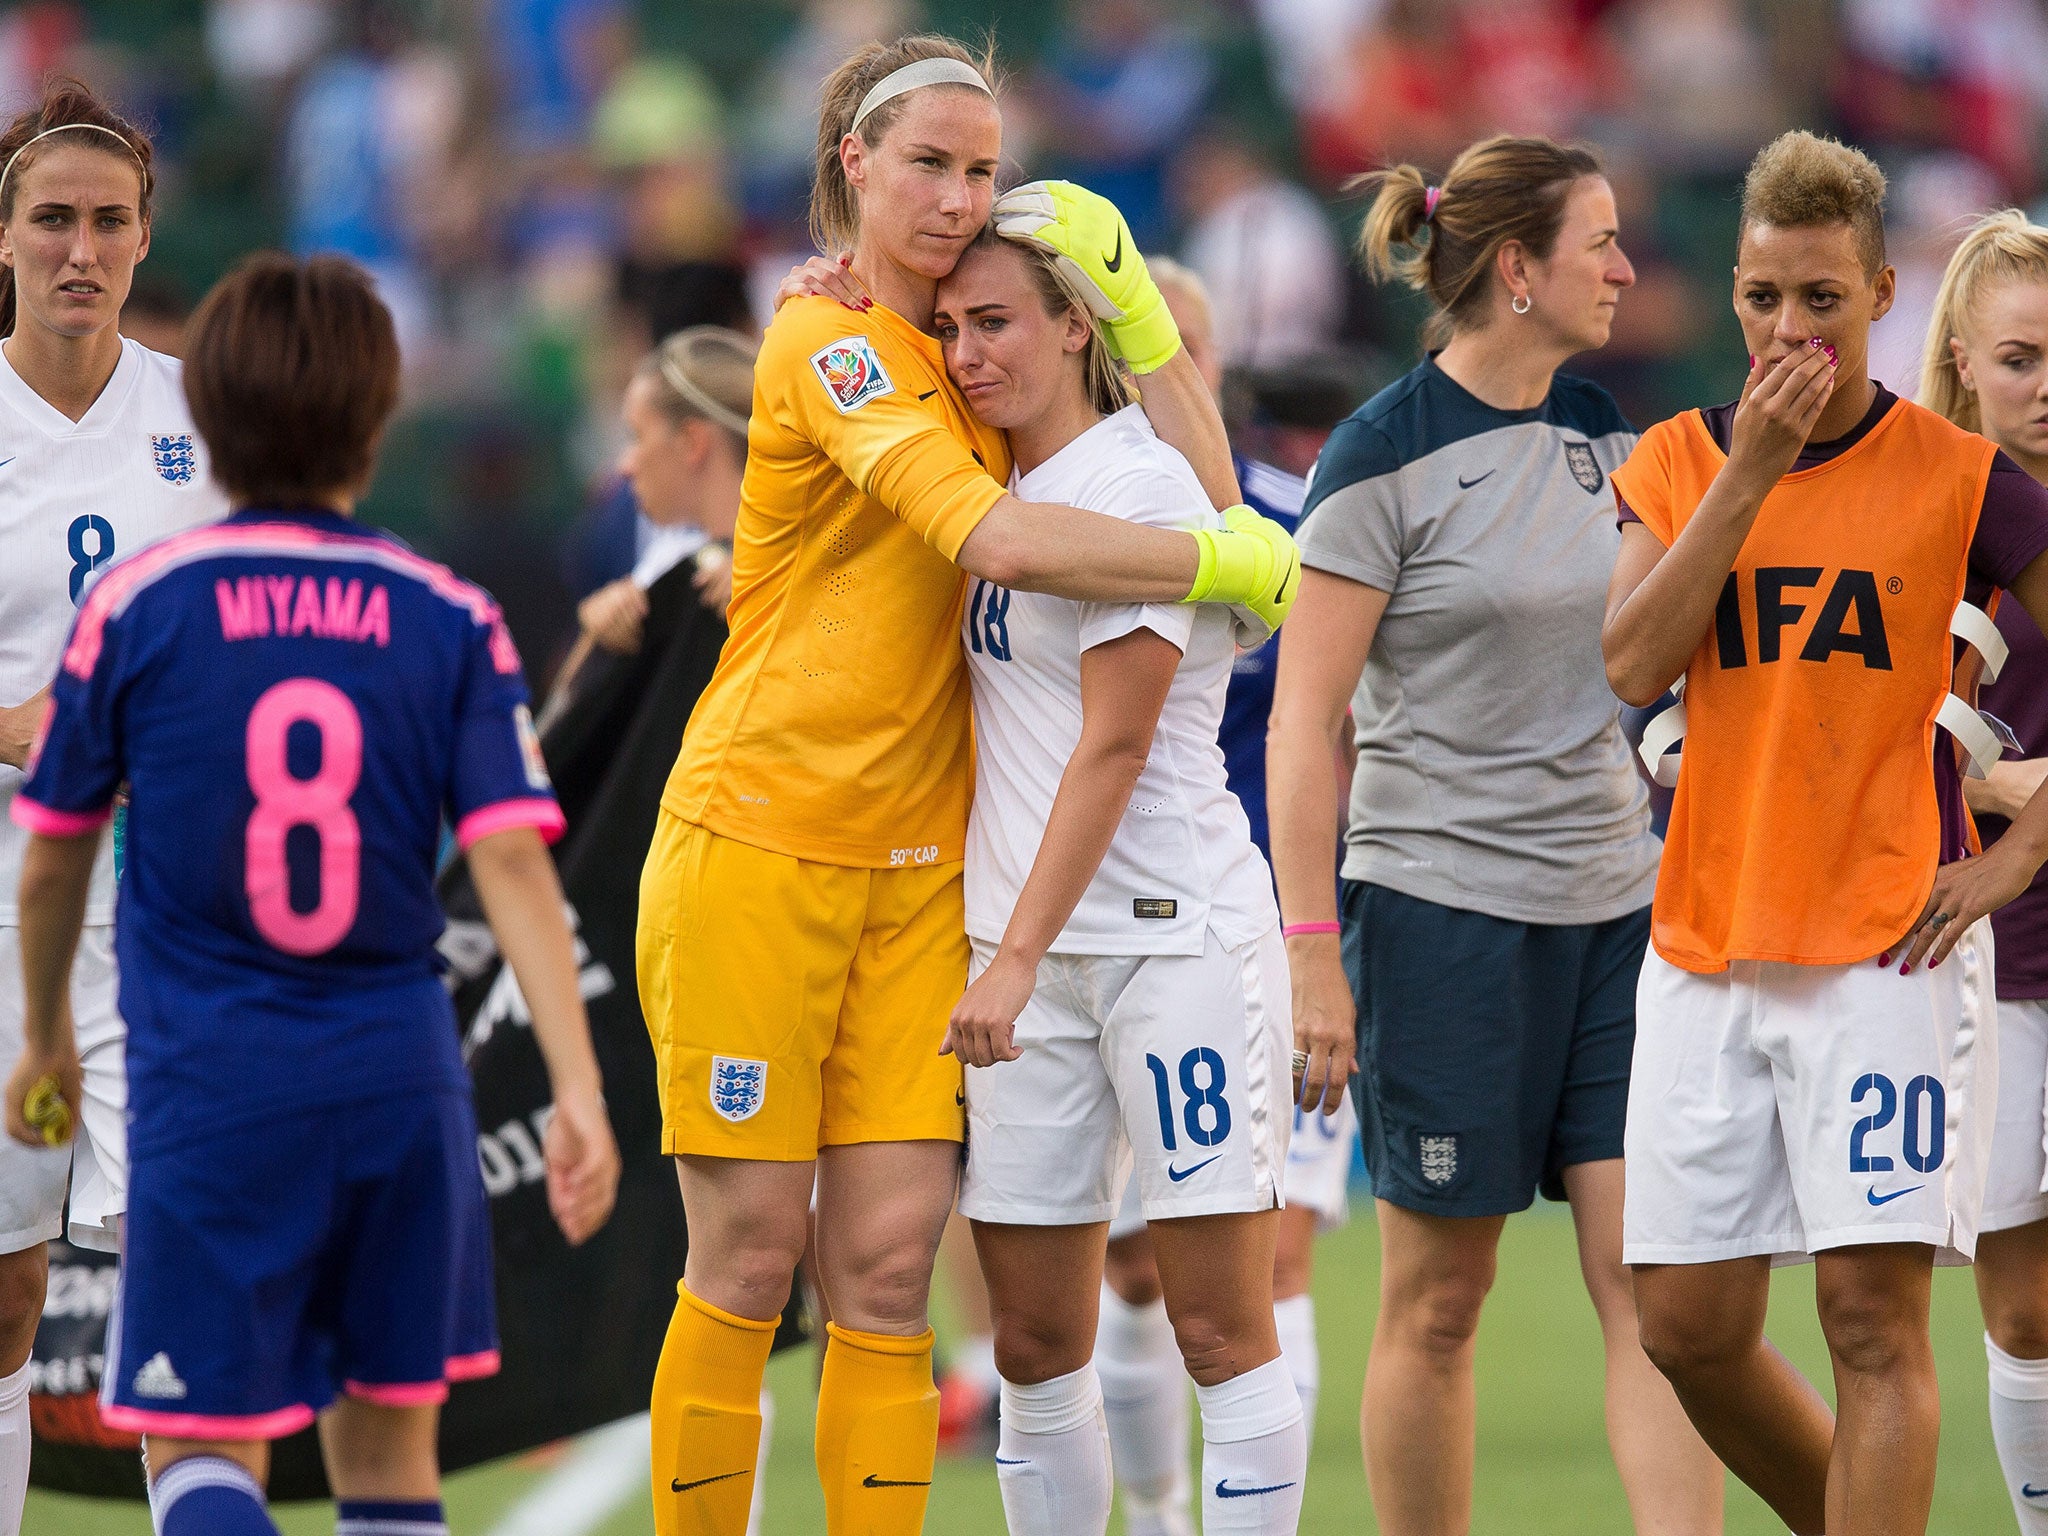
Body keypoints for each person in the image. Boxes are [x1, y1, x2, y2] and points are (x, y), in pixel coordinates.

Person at [636, 34, 1302, 1536]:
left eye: (983, 168)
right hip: (764, 840)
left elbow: (1165, 468)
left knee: (882, 1273)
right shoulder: (834, 344)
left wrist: (1141, 323)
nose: (955, 196)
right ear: (852, 167)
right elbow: (1000, 546)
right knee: (748, 1261)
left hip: (928, 879)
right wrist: (1226, 560)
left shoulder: (970, 361)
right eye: (927, 163)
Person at [1, 251, 622, 1536]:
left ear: (206, 418)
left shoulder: (140, 607)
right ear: (382, 416)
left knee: (202, 1442)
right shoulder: (446, 613)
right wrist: (575, 1084)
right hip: (396, 1079)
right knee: (389, 1462)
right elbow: (513, 861)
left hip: (212, 1078)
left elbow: (56, 848)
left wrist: (51, 1030)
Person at [1267, 134, 1724, 1536]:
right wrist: (1311, 960)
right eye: (1600, 244)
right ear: (1517, 272)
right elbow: (1305, 729)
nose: (1626, 271)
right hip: (1437, 920)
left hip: (1616, 918)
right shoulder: (1379, 455)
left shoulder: (1618, 438)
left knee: (1656, 1296)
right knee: (1441, 1304)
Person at [1604, 132, 2048, 1536]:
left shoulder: (1966, 478)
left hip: (1888, 948)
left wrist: (2026, 850)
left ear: (1877, 300)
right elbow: (1628, 665)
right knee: (1684, 1325)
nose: (1787, 330)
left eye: (1820, 301)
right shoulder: (1681, 458)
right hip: (1707, 937)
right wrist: (1749, 475)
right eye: (1761, 298)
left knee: (1870, 1320)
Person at [936, 220, 1310, 1536]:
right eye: (954, 327)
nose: (970, 352)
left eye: (999, 322)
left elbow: (1115, 742)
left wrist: (1016, 956)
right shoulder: (984, 474)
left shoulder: (1140, 486)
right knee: (1036, 1344)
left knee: (1217, 1323)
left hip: (1170, 942)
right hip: (1027, 958)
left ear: (1079, 325)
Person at [1088, 256, 1358, 1536]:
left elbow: (1349, 723)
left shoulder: (1284, 525)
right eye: (1151, 347)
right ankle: (1151, 1512)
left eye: (1188, 350)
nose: (1167, 373)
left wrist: (1326, 932)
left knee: (1270, 1256)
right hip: (1108, 937)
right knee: (1134, 1274)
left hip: (1266, 932)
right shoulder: (1046, 512)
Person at [0, 79, 231, 1536]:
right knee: (7, 1287)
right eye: (51, 220)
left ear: (145, 240)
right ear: (4, 238)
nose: (79, 249)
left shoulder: (207, 420)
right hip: (8, 897)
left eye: (107, 221)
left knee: (179, 1275)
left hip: (167, 910)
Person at [1919, 208, 2048, 1534]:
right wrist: (1999, 785)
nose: (2045, 387)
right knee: (2022, 1304)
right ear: (1961, 358)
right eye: (2019, 359)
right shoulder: (1921, 518)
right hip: (1995, 952)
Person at [573, 326, 753, 660]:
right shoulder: (664, 566)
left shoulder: (808, 562)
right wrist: (595, 630)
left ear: (691, 442)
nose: (625, 466)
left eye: (636, 436)